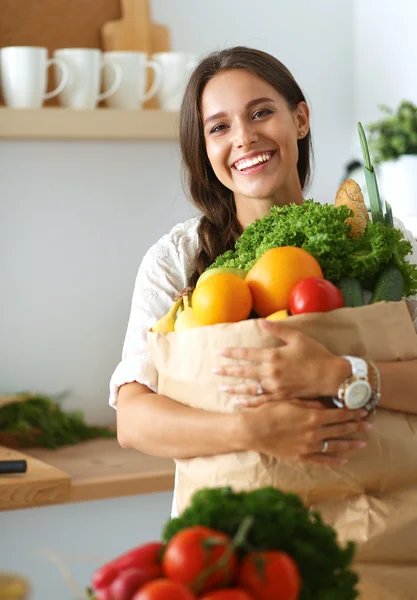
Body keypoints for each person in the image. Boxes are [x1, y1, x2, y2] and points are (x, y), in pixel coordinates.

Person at [109, 46, 417, 518]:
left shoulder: (380, 238)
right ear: (204, 149)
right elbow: (132, 420)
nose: (245, 138)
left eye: (261, 113)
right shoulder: (177, 259)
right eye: (219, 127)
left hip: (376, 518)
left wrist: (341, 374)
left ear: (300, 119)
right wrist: (251, 431)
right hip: (237, 526)